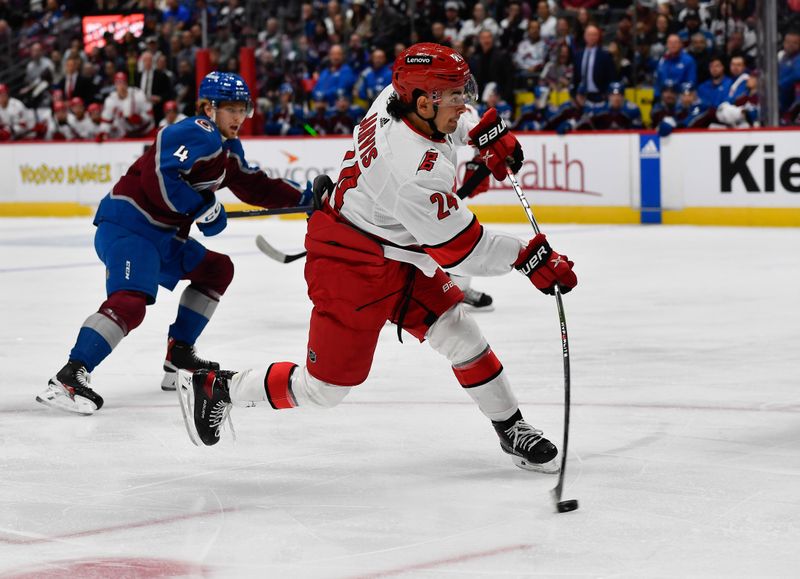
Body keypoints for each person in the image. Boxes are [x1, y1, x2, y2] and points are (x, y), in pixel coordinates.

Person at [178, 44, 578, 475]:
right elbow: (463, 249)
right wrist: (528, 258)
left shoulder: (395, 95)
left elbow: (448, 116)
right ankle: (218, 388)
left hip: (394, 248)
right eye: (457, 96)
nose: (464, 103)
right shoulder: (412, 173)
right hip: (349, 264)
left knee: (460, 333)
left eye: (464, 93)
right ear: (423, 102)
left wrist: (482, 133)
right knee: (324, 390)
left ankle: (511, 427)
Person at [37, 72, 313, 416]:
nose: (239, 117)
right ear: (207, 108)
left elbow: (256, 186)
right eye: (230, 108)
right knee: (131, 302)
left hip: (163, 237)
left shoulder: (227, 148)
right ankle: (69, 376)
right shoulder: (198, 131)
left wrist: (306, 198)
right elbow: (160, 174)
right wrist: (201, 206)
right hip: (130, 227)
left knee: (216, 270)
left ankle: (179, 355)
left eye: (243, 108)